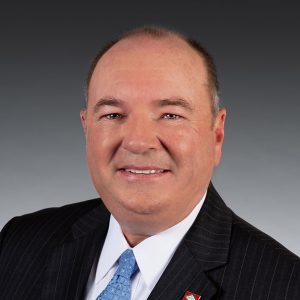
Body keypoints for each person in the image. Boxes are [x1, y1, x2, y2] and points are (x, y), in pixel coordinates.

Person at [0, 26, 299, 300]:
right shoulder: (19, 244)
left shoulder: (284, 285)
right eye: (113, 115)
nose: (138, 141)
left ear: (217, 135)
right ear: (86, 129)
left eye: (171, 115)